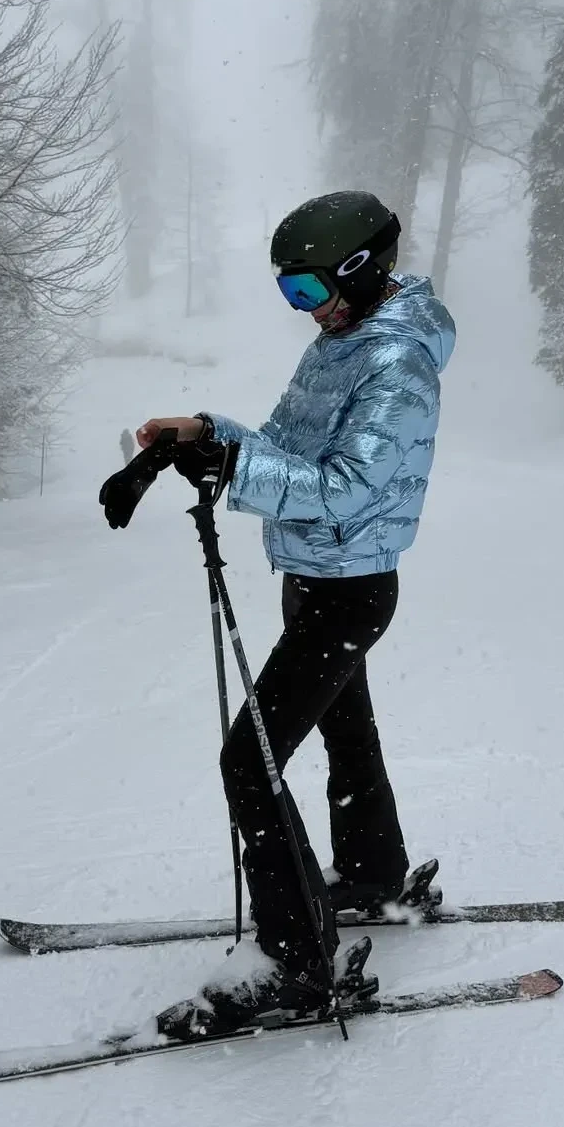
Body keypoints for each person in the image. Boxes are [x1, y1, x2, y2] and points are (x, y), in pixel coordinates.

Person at [135, 191, 456, 1039]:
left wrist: (234, 466)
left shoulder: (397, 364)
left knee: (250, 758)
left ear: (362, 270)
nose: (303, 309)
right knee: (345, 721)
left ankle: (296, 963)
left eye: (309, 290)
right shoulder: (338, 344)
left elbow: (348, 487)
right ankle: (373, 871)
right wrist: (206, 431)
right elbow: (282, 444)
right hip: (313, 577)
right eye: (289, 293)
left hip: (351, 586)